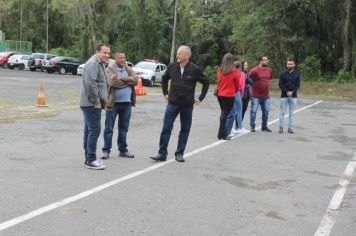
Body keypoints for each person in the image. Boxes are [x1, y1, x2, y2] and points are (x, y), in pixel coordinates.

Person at [150, 45, 210, 162]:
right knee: (166, 127)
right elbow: (164, 78)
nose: (177, 55)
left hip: (187, 105)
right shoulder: (172, 67)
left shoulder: (195, 69)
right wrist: (165, 93)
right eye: (177, 53)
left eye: (179, 53)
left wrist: (201, 97)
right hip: (172, 104)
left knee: (185, 129)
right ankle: (162, 153)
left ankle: (179, 153)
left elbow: (206, 82)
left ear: (186, 56)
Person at [101, 51, 139, 159]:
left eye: (124, 58)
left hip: (126, 104)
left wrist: (121, 79)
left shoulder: (127, 68)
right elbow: (113, 83)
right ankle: (106, 151)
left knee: (123, 128)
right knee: (109, 128)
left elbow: (136, 79)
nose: (123, 60)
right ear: (115, 59)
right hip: (113, 104)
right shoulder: (110, 69)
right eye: (120, 58)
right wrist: (128, 81)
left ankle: (123, 150)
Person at [80, 44, 110, 170]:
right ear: (97, 52)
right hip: (91, 103)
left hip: (90, 103)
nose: (107, 55)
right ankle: (91, 159)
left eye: (108, 53)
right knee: (94, 130)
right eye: (104, 53)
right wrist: (96, 101)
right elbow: (90, 84)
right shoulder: (93, 63)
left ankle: (88, 158)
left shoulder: (99, 63)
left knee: (89, 130)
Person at [216, 54, 240, 140]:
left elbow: (219, 83)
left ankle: (222, 133)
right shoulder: (234, 72)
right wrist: (234, 91)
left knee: (223, 113)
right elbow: (237, 85)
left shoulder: (219, 71)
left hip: (220, 94)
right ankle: (222, 134)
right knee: (225, 114)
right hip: (229, 95)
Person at [249, 55, 273, 132]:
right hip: (256, 96)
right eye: (265, 60)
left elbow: (269, 78)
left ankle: (264, 126)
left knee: (266, 112)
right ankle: (252, 126)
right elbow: (249, 80)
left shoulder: (269, 70)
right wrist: (251, 91)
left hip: (266, 96)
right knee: (253, 111)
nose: (267, 61)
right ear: (260, 61)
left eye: (267, 60)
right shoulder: (254, 70)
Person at [278, 58, 301, 133]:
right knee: (282, 113)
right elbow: (280, 84)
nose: (289, 65)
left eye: (291, 64)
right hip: (284, 96)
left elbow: (298, 85)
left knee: (291, 113)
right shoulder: (282, 73)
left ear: (294, 65)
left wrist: (292, 92)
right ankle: (281, 128)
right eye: (288, 64)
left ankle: (290, 128)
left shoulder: (297, 74)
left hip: (293, 96)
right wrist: (287, 91)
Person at [226, 61, 246, 136]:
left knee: (231, 111)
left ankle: (231, 128)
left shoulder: (229, 73)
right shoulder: (241, 74)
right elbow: (241, 86)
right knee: (237, 111)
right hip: (236, 92)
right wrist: (241, 94)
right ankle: (239, 128)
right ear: (240, 67)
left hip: (230, 93)